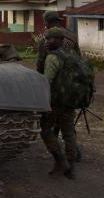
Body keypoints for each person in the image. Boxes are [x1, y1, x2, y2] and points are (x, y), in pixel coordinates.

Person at [40, 27, 78, 179]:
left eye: (51, 39)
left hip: (56, 102)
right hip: (70, 100)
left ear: (60, 40)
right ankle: (71, 168)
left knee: (45, 130)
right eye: (47, 39)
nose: (48, 42)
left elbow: (46, 82)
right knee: (69, 133)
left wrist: (44, 103)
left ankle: (60, 161)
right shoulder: (72, 54)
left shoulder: (53, 57)